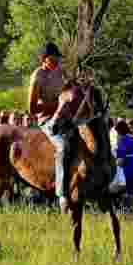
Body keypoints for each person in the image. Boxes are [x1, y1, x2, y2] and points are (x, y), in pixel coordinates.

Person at [43, 78, 93, 214]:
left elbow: (86, 115)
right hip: (54, 126)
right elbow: (57, 117)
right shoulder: (67, 95)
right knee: (63, 148)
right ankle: (62, 194)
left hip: (71, 129)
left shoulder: (83, 97)